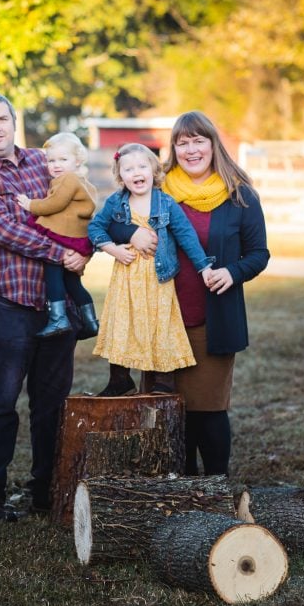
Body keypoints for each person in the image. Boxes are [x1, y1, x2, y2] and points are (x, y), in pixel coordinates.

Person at [0, 91, 89, 522]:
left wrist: (85, 248)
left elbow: (80, 210)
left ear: (15, 122)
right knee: (0, 401)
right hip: (10, 304)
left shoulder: (45, 160)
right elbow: (3, 229)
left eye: (1, 119)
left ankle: (46, 490)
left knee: (52, 403)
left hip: (58, 304)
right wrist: (62, 252)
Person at [155, 110, 270, 477]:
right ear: (173, 148)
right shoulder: (155, 193)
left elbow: (258, 254)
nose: (191, 149)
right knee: (170, 414)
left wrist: (231, 273)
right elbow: (116, 224)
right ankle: (181, 488)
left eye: (198, 140)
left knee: (208, 409)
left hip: (212, 320)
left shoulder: (239, 196)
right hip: (162, 319)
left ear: (213, 144)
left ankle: (216, 486)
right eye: (183, 142)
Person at [87, 143, 215, 397]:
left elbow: (186, 235)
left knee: (161, 325)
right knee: (122, 323)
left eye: (142, 166)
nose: (136, 172)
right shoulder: (116, 202)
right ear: (120, 175)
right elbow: (95, 229)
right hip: (126, 276)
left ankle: (164, 382)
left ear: (154, 170)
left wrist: (204, 267)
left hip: (158, 278)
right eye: (128, 168)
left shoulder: (165, 203)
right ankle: (120, 380)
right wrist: (113, 249)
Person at [16, 132, 100, 338]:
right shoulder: (83, 181)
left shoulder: (68, 179)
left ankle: (58, 318)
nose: (56, 164)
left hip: (63, 235)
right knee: (72, 282)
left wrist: (30, 204)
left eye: (63, 159)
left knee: (52, 271)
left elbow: (55, 203)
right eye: (51, 160)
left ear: (78, 160)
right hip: (75, 236)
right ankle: (90, 321)